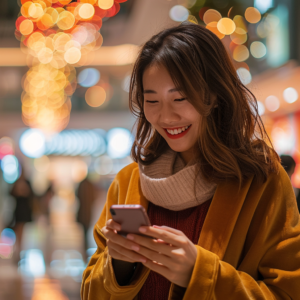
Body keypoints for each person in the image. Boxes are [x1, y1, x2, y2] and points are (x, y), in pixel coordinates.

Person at [81, 22, 300, 300]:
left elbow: (288, 292)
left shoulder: (261, 182)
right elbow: (90, 291)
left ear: (215, 94)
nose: (165, 117)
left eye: (180, 98)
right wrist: (120, 265)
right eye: (152, 101)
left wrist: (199, 273)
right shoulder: (128, 182)